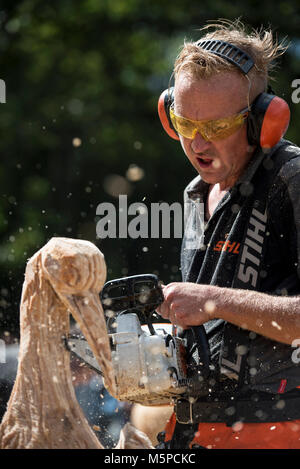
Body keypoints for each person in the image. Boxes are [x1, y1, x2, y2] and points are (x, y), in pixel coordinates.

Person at [156, 19, 300, 449]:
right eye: (184, 123)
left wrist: (212, 301)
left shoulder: (291, 180)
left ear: (263, 120)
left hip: (279, 427)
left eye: (218, 127)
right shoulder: (197, 194)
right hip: (197, 427)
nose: (199, 143)